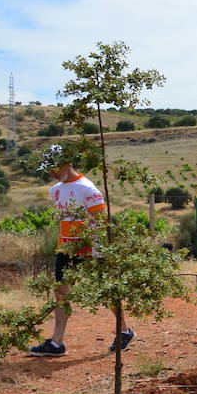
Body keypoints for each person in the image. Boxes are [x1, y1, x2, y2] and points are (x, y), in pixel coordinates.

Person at [28, 146, 134, 357]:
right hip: (65, 248)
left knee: (106, 292)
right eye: (48, 169)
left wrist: (99, 251)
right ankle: (57, 343)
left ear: (67, 164)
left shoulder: (88, 189)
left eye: (55, 167)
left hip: (90, 249)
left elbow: (101, 222)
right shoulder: (55, 190)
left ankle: (124, 331)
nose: (52, 173)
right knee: (60, 294)